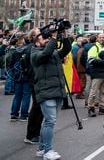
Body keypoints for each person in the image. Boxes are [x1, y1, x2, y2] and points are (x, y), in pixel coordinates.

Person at [31, 25, 72, 160]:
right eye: (44, 38)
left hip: (57, 91)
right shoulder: (35, 54)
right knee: (50, 121)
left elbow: (66, 49)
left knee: (48, 122)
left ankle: (42, 148)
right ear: (36, 42)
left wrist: (64, 35)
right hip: (45, 91)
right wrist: (53, 38)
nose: (47, 39)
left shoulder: (53, 53)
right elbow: (46, 53)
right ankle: (48, 151)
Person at [9, 36, 31, 121]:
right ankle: (23, 115)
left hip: (17, 75)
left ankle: (14, 114)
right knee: (26, 95)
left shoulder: (14, 52)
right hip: (26, 75)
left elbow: (11, 64)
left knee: (17, 95)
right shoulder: (27, 50)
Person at [86, 33, 104, 117]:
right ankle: (90, 108)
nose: (102, 39)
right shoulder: (95, 47)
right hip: (97, 72)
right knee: (94, 91)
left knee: (103, 92)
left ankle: (103, 107)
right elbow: (91, 60)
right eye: (100, 37)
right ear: (97, 38)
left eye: (103, 37)